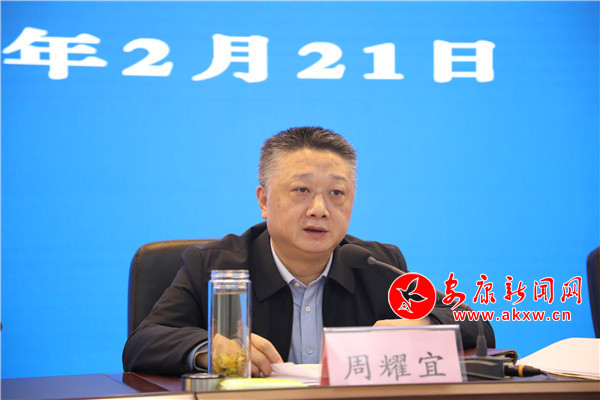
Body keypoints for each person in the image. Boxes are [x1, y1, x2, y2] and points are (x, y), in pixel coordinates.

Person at [122, 126, 495, 377]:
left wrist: (425, 326)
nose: (320, 209)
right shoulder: (215, 265)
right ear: (264, 200)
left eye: (336, 193)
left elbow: (477, 325)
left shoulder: (378, 264)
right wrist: (210, 348)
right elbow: (143, 343)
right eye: (301, 190)